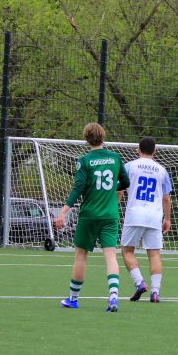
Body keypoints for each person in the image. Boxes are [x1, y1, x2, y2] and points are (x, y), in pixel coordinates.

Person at [53, 123, 130, 312]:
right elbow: (125, 182)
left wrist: (63, 211)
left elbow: (78, 187)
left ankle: (73, 299)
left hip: (89, 215)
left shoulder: (84, 160)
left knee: (81, 256)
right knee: (110, 256)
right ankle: (113, 296)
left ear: (86, 139)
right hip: (110, 215)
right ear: (103, 137)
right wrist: (111, 189)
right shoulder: (115, 157)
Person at [119, 137, 172, 303]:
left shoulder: (129, 166)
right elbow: (166, 198)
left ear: (138, 150)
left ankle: (139, 282)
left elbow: (119, 191)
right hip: (154, 217)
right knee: (154, 254)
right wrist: (167, 218)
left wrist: (114, 207)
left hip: (134, 215)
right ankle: (155, 292)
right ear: (155, 151)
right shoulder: (161, 170)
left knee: (127, 251)